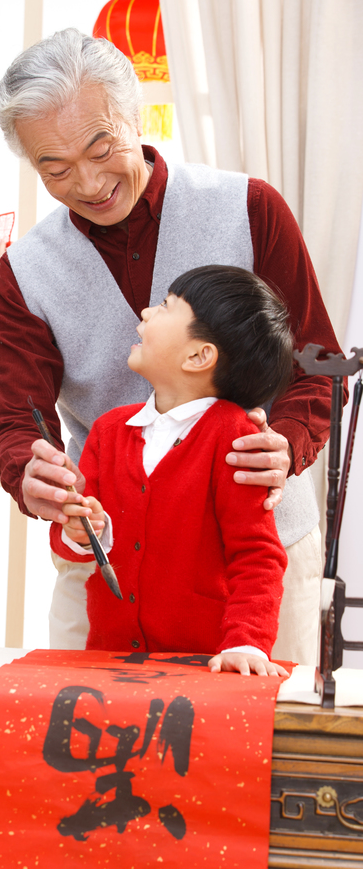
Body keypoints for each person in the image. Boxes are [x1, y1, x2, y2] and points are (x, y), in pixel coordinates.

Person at [0, 28, 341, 669]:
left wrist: (286, 443)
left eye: (101, 147)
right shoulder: (25, 272)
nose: (90, 183)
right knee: (87, 755)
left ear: (137, 115)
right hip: (106, 558)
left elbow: (319, 366)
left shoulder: (248, 208)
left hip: (257, 560)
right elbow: (16, 420)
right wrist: (27, 469)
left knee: (255, 754)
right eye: (54, 169)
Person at [50, 265, 292, 677]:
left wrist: (246, 641)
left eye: (165, 306)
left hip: (202, 667)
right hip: (110, 663)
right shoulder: (109, 431)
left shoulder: (234, 436)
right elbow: (69, 539)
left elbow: (256, 555)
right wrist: (81, 531)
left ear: (199, 356)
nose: (145, 313)